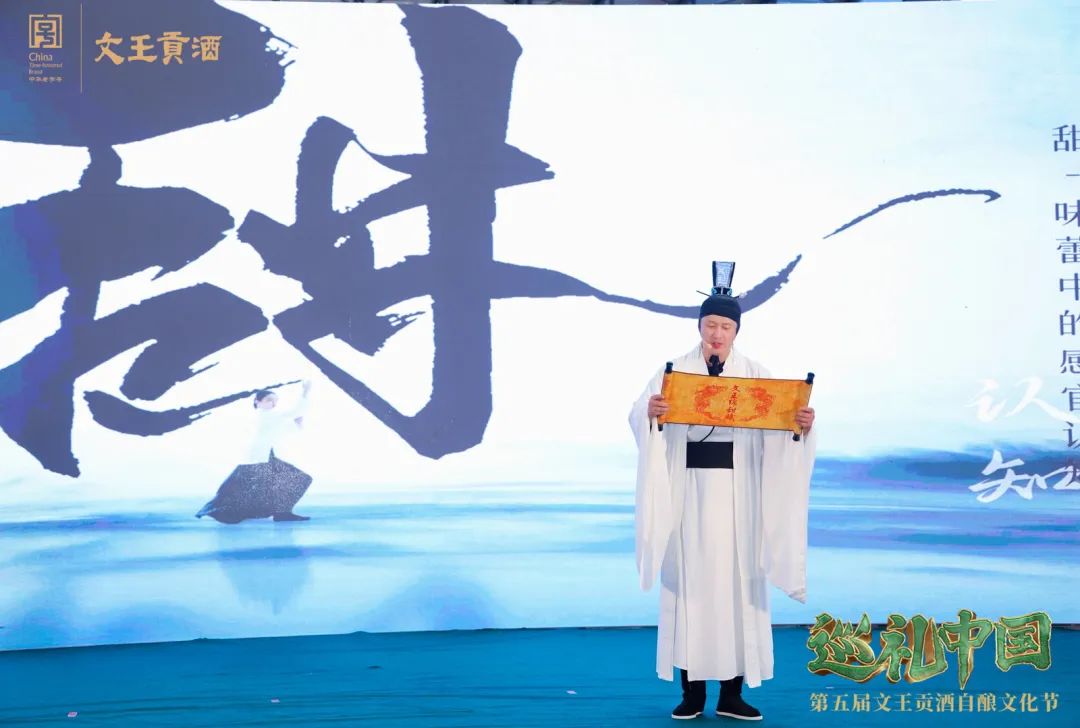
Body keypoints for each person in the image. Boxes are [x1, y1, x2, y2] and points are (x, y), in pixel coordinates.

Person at [629, 291, 816, 721]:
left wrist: (801, 425)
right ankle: (692, 693)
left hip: (739, 495)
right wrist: (650, 413)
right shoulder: (673, 372)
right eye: (710, 324)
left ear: (736, 331)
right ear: (699, 326)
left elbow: (780, 430)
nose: (717, 333)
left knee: (738, 590)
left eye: (725, 326)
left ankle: (732, 694)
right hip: (689, 492)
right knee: (690, 588)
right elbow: (639, 415)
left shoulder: (755, 374)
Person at [197, 380, 315, 524]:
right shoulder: (264, 414)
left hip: (265, 456)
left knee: (290, 481)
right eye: (269, 400)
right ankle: (281, 512)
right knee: (297, 479)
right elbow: (296, 412)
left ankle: (282, 512)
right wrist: (305, 391)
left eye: (276, 401)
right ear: (257, 402)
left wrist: (298, 423)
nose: (274, 404)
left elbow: (287, 428)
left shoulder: (269, 416)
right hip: (260, 457)